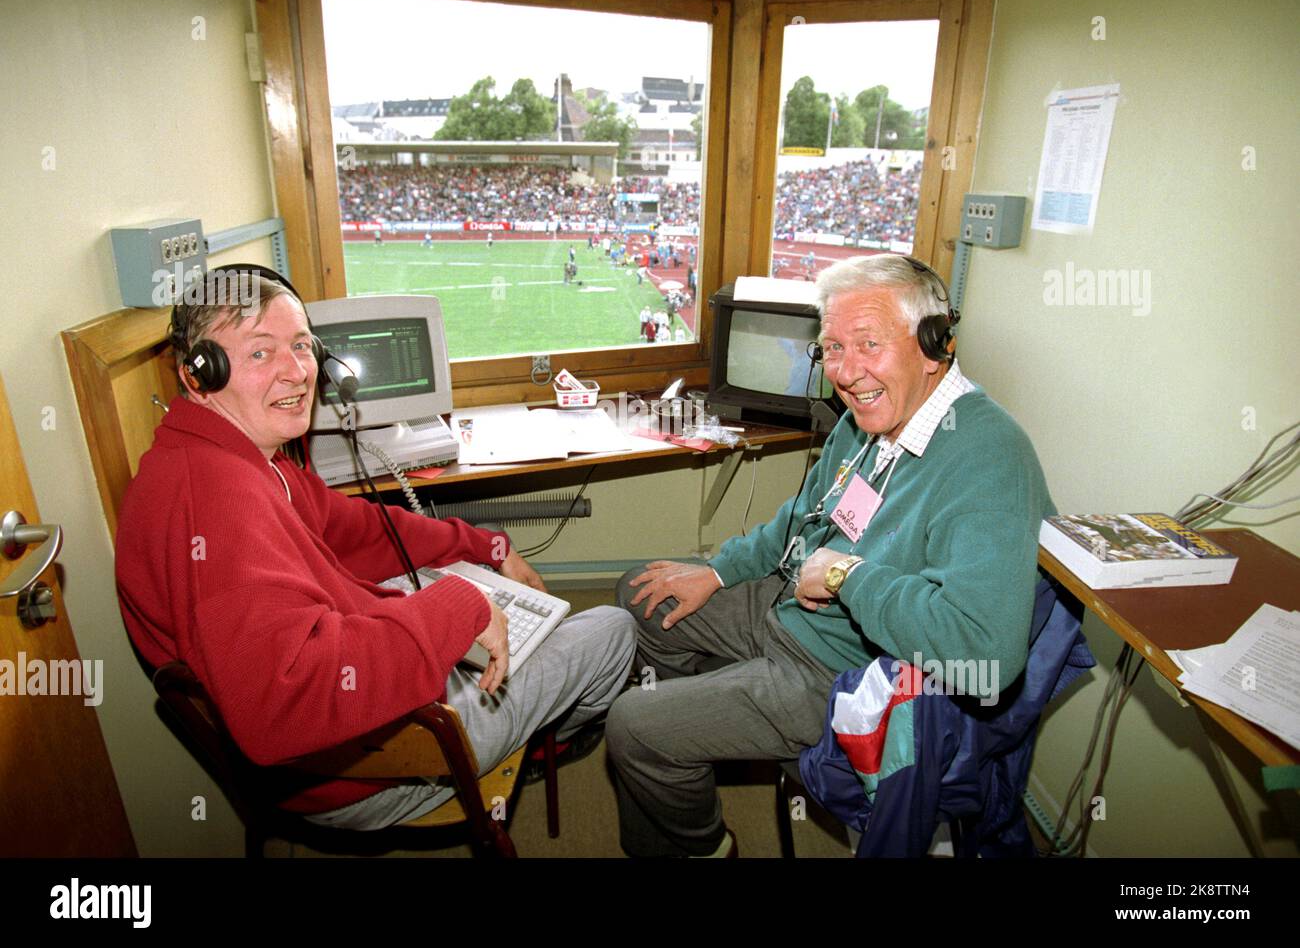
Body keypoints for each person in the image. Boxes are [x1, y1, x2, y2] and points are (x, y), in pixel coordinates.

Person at [116, 271, 635, 830]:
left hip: (345, 731)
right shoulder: (222, 507)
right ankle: (532, 746)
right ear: (200, 374)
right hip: (359, 771)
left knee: (442, 585)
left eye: (300, 346)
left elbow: (354, 530)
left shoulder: (231, 458)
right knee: (612, 630)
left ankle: (520, 718)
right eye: (260, 353)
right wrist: (460, 607)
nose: (296, 373)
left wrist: (485, 547)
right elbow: (283, 708)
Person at [606, 254, 1053, 857]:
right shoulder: (870, 418)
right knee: (642, 591)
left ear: (934, 345)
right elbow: (802, 521)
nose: (847, 372)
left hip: (841, 671)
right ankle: (702, 726)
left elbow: (987, 653)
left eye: (868, 344)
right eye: (833, 348)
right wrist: (715, 571)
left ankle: (703, 845)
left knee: (635, 726)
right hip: (793, 608)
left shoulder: (989, 458)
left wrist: (848, 575)